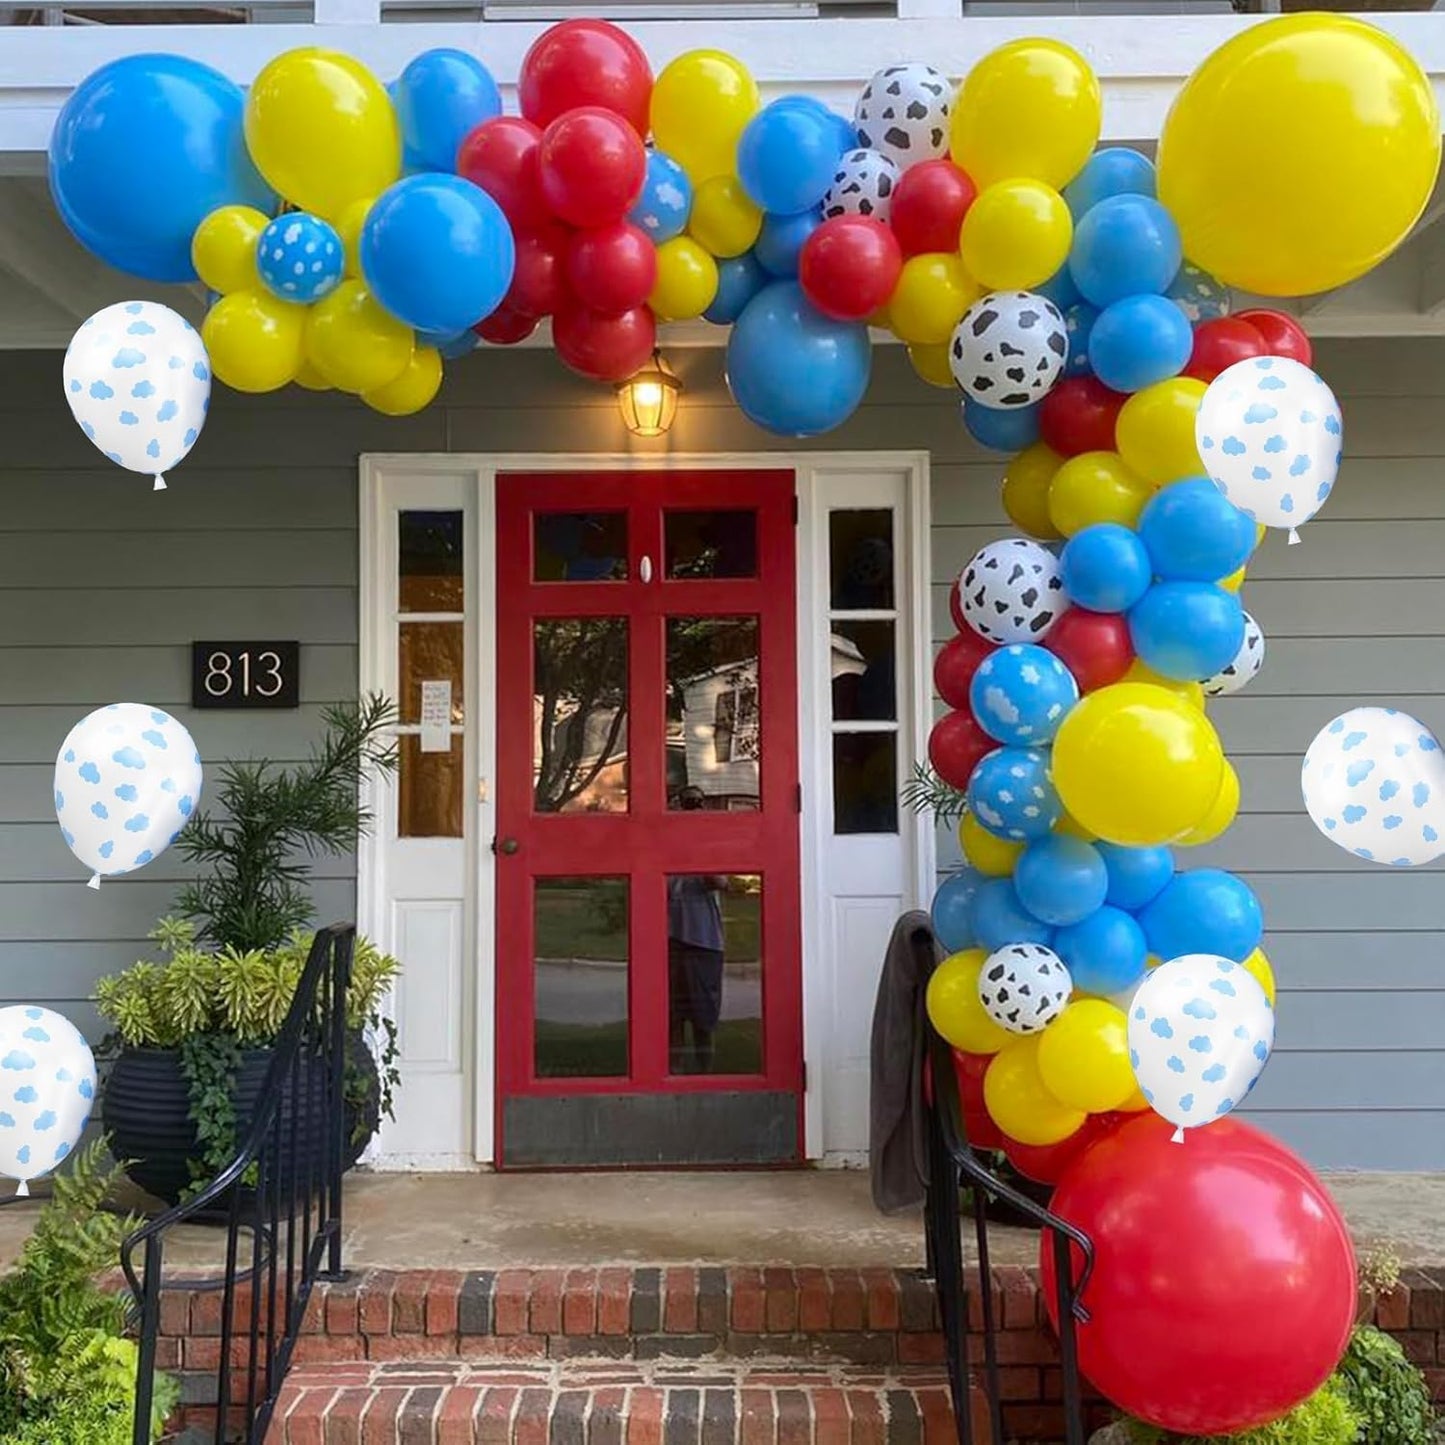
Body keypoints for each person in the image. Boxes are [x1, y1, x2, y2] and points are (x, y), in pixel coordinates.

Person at [667, 788, 728, 1073]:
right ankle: (673, 1074)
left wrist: (698, 847)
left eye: (698, 803)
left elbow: (720, 881)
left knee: (704, 1018)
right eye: (687, 802)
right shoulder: (665, 844)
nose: (693, 808)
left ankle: (706, 1077)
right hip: (670, 939)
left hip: (704, 941)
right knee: (672, 1016)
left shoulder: (711, 842)